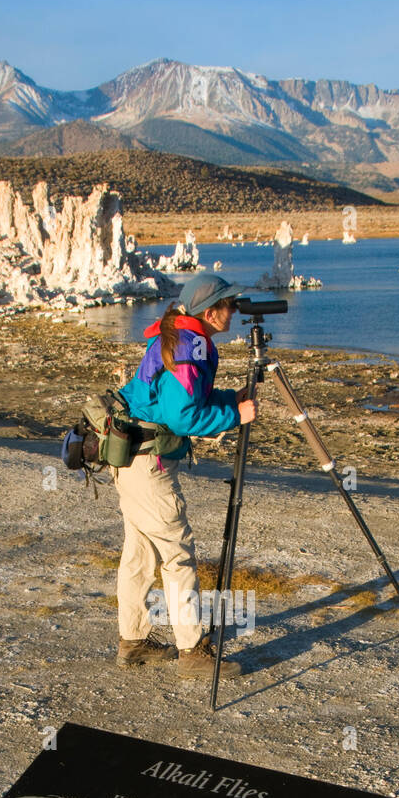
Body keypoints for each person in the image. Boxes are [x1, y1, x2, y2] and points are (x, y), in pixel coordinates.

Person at [112, 272, 256, 679]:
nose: (235, 310)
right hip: (147, 462)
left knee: (140, 552)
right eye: (229, 304)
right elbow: (182, 414)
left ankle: (133, 642)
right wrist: (234, 415)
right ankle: (192, 652)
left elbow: (184, 398)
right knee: (177, 555)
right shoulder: (190, 346)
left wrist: (229, 399)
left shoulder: (179, 337)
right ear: (210, 312)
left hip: (131, 456)